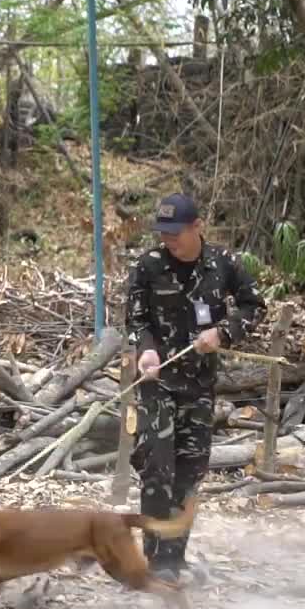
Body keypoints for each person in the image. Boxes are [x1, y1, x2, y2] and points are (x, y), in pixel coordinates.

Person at [123, 192, 266, 583]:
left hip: (199, 385)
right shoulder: (148, 266)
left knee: (190, 471)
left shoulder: (224, 264)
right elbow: (136, 319)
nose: (169, 240)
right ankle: (152, 559)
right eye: (163, 233)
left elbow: (254, 306)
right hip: (157, 382)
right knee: (156, 462)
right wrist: (147, 352)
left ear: (197, 226)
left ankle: (172, 559)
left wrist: (224, 331)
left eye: (176, 233)